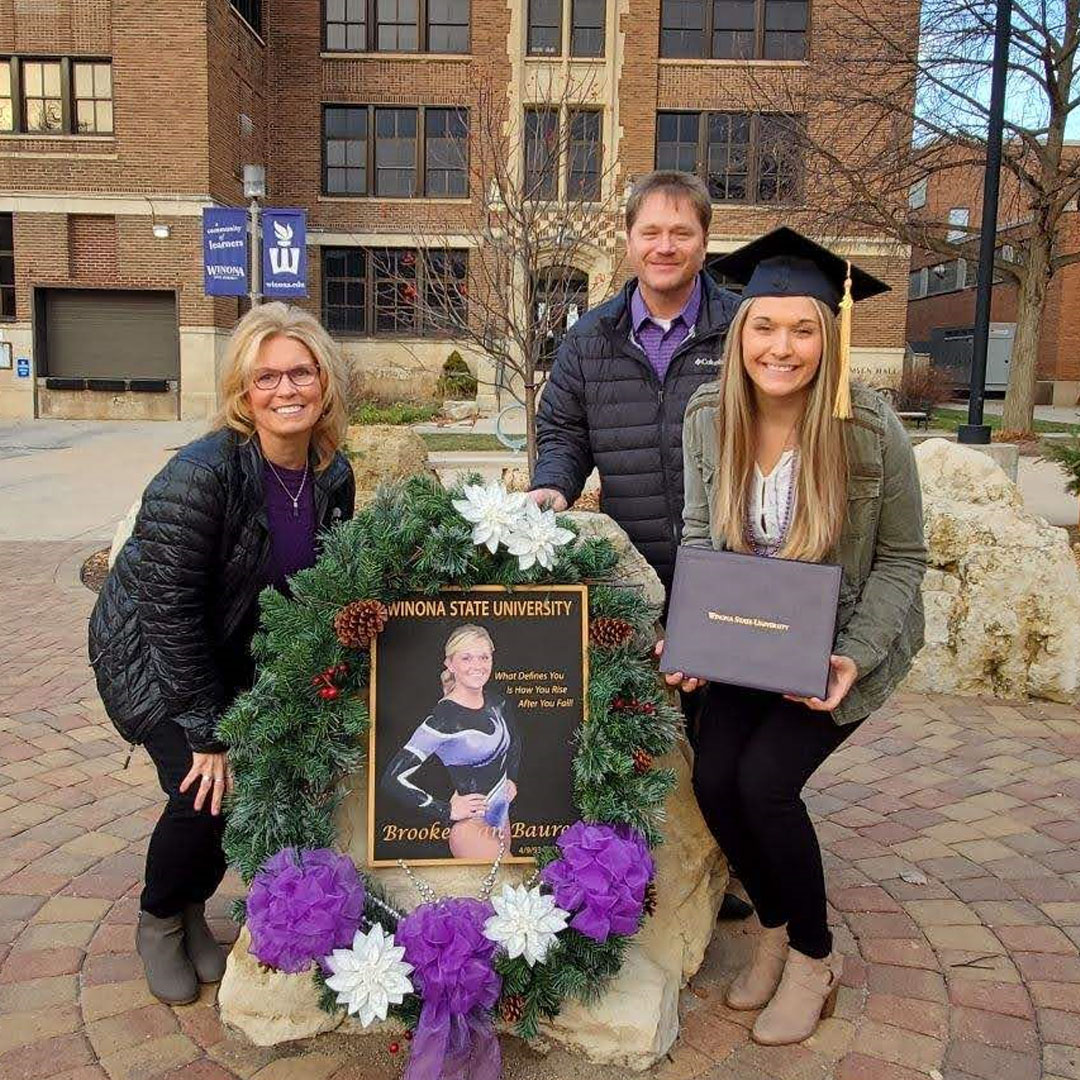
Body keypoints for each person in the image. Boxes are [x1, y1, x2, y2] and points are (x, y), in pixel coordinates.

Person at [661, 227, 927, 1045]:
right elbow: (701, 534)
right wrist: (692, 637)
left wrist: (855, 654)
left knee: (767, 783)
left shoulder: (868, 427)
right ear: (742, 332)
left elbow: (903, 559)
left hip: (838, 645)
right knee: (716, 783)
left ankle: (814, 955)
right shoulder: (711, 415)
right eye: (765, 327)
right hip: (748, 638)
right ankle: (775, 924)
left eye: (803, 329)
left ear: (830, 332)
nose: (782, 348)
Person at [88, 303, 355, 1005]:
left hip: (233, 655)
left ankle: (188, 913)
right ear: (243, 393)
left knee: (238, 790)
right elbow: (166, 608)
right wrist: (207, 733)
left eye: (301, 371)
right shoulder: (204, 474)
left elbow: (318, 587)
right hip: (151, 654)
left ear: (325, 382)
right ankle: (158, 918)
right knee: (205, 790)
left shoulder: (332, 474)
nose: (286, 389)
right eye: (266, 377)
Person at [528, 170, 754, 920]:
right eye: (650, 231)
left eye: (681, 232)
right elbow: (563, 433)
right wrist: (553, 488)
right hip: (640, 564)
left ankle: (739, 858)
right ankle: (673, 852)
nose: (665, 246)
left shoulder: (742, 327)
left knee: (725, 723)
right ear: (627, 240)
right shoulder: (590, 338)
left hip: (729, 560)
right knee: (654, 718)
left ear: (705, 241)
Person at [381, 625, 521, 860]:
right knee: (509, 885)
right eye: (466, 658)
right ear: (450, 664)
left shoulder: (497, 702)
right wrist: (445, 809)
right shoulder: (442, 720)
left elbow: (514, 742)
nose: (478, 665)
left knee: (504, 891)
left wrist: (512, 779)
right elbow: (392, 779)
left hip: (500, 817)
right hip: (470, 829)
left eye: (484, 657)